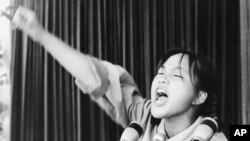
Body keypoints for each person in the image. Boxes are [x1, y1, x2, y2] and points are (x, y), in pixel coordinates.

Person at [10, 6, 228, 141]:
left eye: (177, 75)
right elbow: (97, 77)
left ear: (200, 96)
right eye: (161, 72)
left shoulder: (215, 136)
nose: (161, 77)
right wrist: (38, 34)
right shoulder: (144, 115)